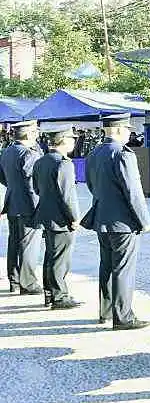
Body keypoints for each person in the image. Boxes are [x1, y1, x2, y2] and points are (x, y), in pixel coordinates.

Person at [80, 113, 150, 330]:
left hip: (102, 217)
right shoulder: (123, 154)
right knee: (123, 269)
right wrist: (144, 220)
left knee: (107, 266)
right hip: (123, 222)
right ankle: (123, 317)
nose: (129, 133)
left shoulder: (94, 153)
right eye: (127, 129)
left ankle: (106, 311)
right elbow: (133, 192)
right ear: (119, 130)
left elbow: (91, 185)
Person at [32, 127, 81, 309]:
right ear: (64, 140)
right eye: (71, 139)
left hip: (46, 215)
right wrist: (74, 218)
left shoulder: (40, 161)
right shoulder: (64, 163)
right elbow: (68, 196)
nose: (74, 142)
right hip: (61, 219)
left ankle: (50, 294)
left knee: (51, 256)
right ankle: (60, 297)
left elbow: (36, 189)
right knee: (60, 259)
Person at [0, 120, 43, 295]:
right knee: (29, 245)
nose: (37, 135)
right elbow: (33, 182)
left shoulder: (7, 151)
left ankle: (15, 280)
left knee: (14, 242)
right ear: (28, 134)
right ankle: (28, 283)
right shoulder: (29, 154)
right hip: (29, 204)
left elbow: (2, 177)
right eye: (34, 132)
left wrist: (13, 188)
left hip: (12, 202)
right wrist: (39, 203)